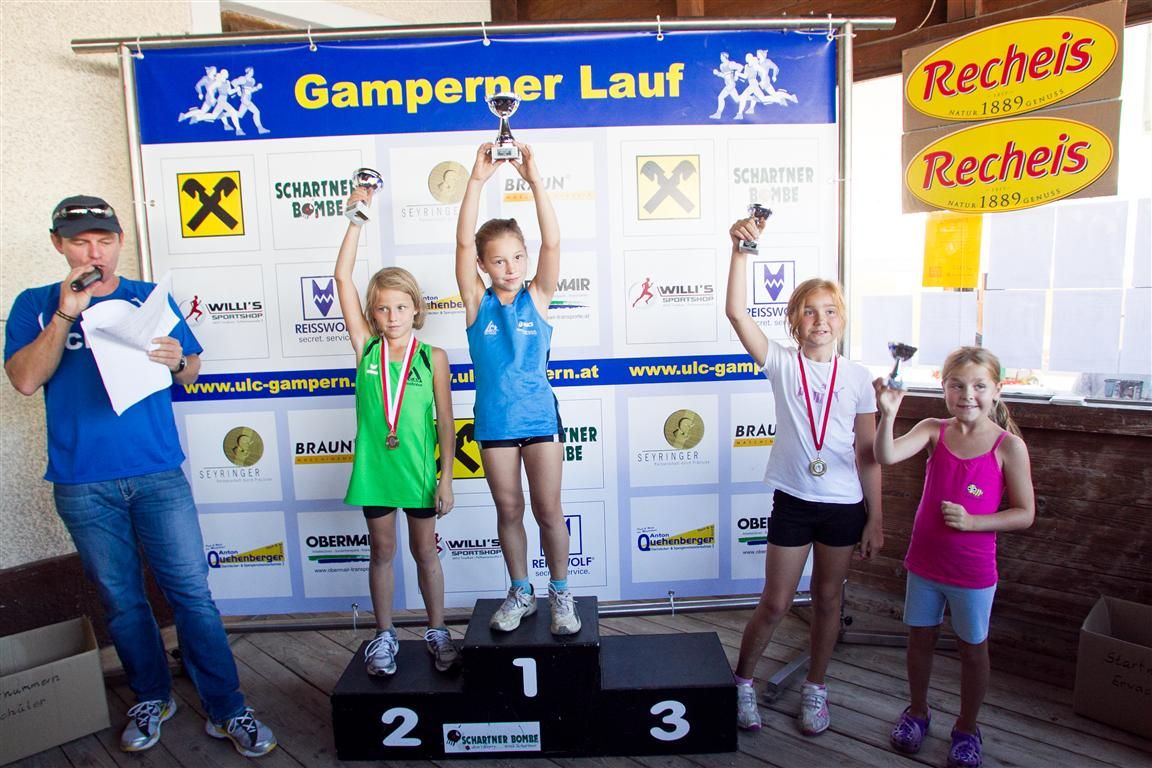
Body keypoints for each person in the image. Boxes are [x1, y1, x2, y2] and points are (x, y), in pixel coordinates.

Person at [4, 196, 276, 757]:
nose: (94, 253)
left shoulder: (147, 298)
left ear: (120, 241)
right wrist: (66, 314)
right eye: (80, 242)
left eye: (104, 241)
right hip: (82, 481)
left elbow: (191, 371)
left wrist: (178, 360)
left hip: (157, 473)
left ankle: (228, 706)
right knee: (121, 599)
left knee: (191, 594)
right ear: (58, 245)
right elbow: (26, 380)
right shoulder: (35, 303)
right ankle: (152, 696)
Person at [724, 215, 883, 735]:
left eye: (830, 310)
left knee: (829, 600)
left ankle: (816, 687)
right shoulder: (781, 363)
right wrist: (741, 251)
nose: (821, 320)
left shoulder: (858, 378)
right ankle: (743, 683)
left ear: (842, 319)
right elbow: (736, 312)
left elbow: (868, 454)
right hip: (794, 501)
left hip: (844, 507)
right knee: (775, 602)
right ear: (794, 320)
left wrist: (875, 518)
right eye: (810, 311)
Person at [873, 346, 1035, 768]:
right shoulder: (933, 429)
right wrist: (888, 414)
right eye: (957, 386)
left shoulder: (1009, 446)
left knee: (973, 649)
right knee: (919, 640)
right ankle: (917, 712)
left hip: (973, 573)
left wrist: (974, 522)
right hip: (925, 565)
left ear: (997, 391)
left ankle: (966, 728)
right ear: (943, 388)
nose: (968, 395)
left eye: (979, 386)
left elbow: (1025, 513)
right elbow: (885, 455)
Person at [454, 141, 580, 636]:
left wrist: (534, 180)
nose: (510, 268)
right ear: (484, 266)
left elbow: (553, 244)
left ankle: (561, 592)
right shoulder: (475, 302)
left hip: (540, 420)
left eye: (517, 257)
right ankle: (521, 590)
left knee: (549, 510)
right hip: (495, 424)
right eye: (498, 261)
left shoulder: (539, 297)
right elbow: (461, 246)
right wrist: (476, 181)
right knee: (509, 510)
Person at [335, 186, 458, 676]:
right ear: (373, 313)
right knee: (382, 551)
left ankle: (438, 629)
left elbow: (446, 422)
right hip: (376, 471)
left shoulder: (433, 358)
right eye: (383, 309)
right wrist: (356, 218)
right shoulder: (365, 348)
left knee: (425, 551)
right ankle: (384, 635)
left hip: (418, 471)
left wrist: (446, 478)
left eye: (401, 308)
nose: (392, 317)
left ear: (415, 309)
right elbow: (341, 277)